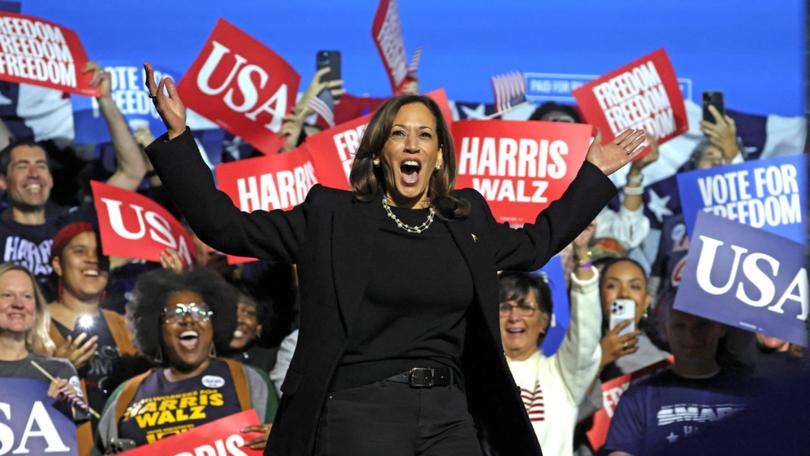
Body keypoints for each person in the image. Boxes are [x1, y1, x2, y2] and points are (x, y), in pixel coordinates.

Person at [142, 62, 646, 455]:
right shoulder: (331, 215)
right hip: (360, 411)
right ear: (379, 152)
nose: (412, 144)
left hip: (450, 411)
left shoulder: (467, 220)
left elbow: (538, 242)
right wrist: (179, 140)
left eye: (425, 135)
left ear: (440, 156)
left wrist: (595, 174)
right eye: (399, 134)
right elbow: (222, 225)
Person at [0, 62, 146, 300]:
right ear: (3, 181)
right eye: (22, 166)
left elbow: (132, 173)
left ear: (50, 179)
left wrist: (105, 101)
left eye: (41, 165)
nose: (34, 173)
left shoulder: (72, 226)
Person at [96, 268, 277, 453]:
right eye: (175, 313)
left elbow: (292, 440)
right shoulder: (126, 394)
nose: (189, 320)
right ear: (156, 327)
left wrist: (281, 438)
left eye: (200, 312)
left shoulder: (249, 380)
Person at [500, 222, 602, 455]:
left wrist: (581, 253)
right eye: (504, 307)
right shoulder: (476, 374)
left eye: (526, 307)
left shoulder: (562, 375)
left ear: (544, 321)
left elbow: (585, 332)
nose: (514, 317)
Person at [602, 306, 759, 455]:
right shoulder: (637, 398)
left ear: (721, 328)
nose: (691, 335)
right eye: (679, 326)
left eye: (702, 325)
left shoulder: (751, 394)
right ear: (665, 330)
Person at [46, 222, 138, 426]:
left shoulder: (124, 325)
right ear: (58, 264)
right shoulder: (33, 326)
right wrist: (55, 369)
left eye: (100, 253)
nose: (92, 260)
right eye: (80, 251)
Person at [0, 263, 91, 450]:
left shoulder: (58, 371)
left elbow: (81, 423)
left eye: (27, 296)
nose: (18, 304)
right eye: (7, 295)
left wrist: (70, 403)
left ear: (36, 308)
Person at [227, 292, 278, 372]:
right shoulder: (205, 357)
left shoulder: (273, 361)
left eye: (248, 313)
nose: (238, 319)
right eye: (230, 311)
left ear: (259, 326)